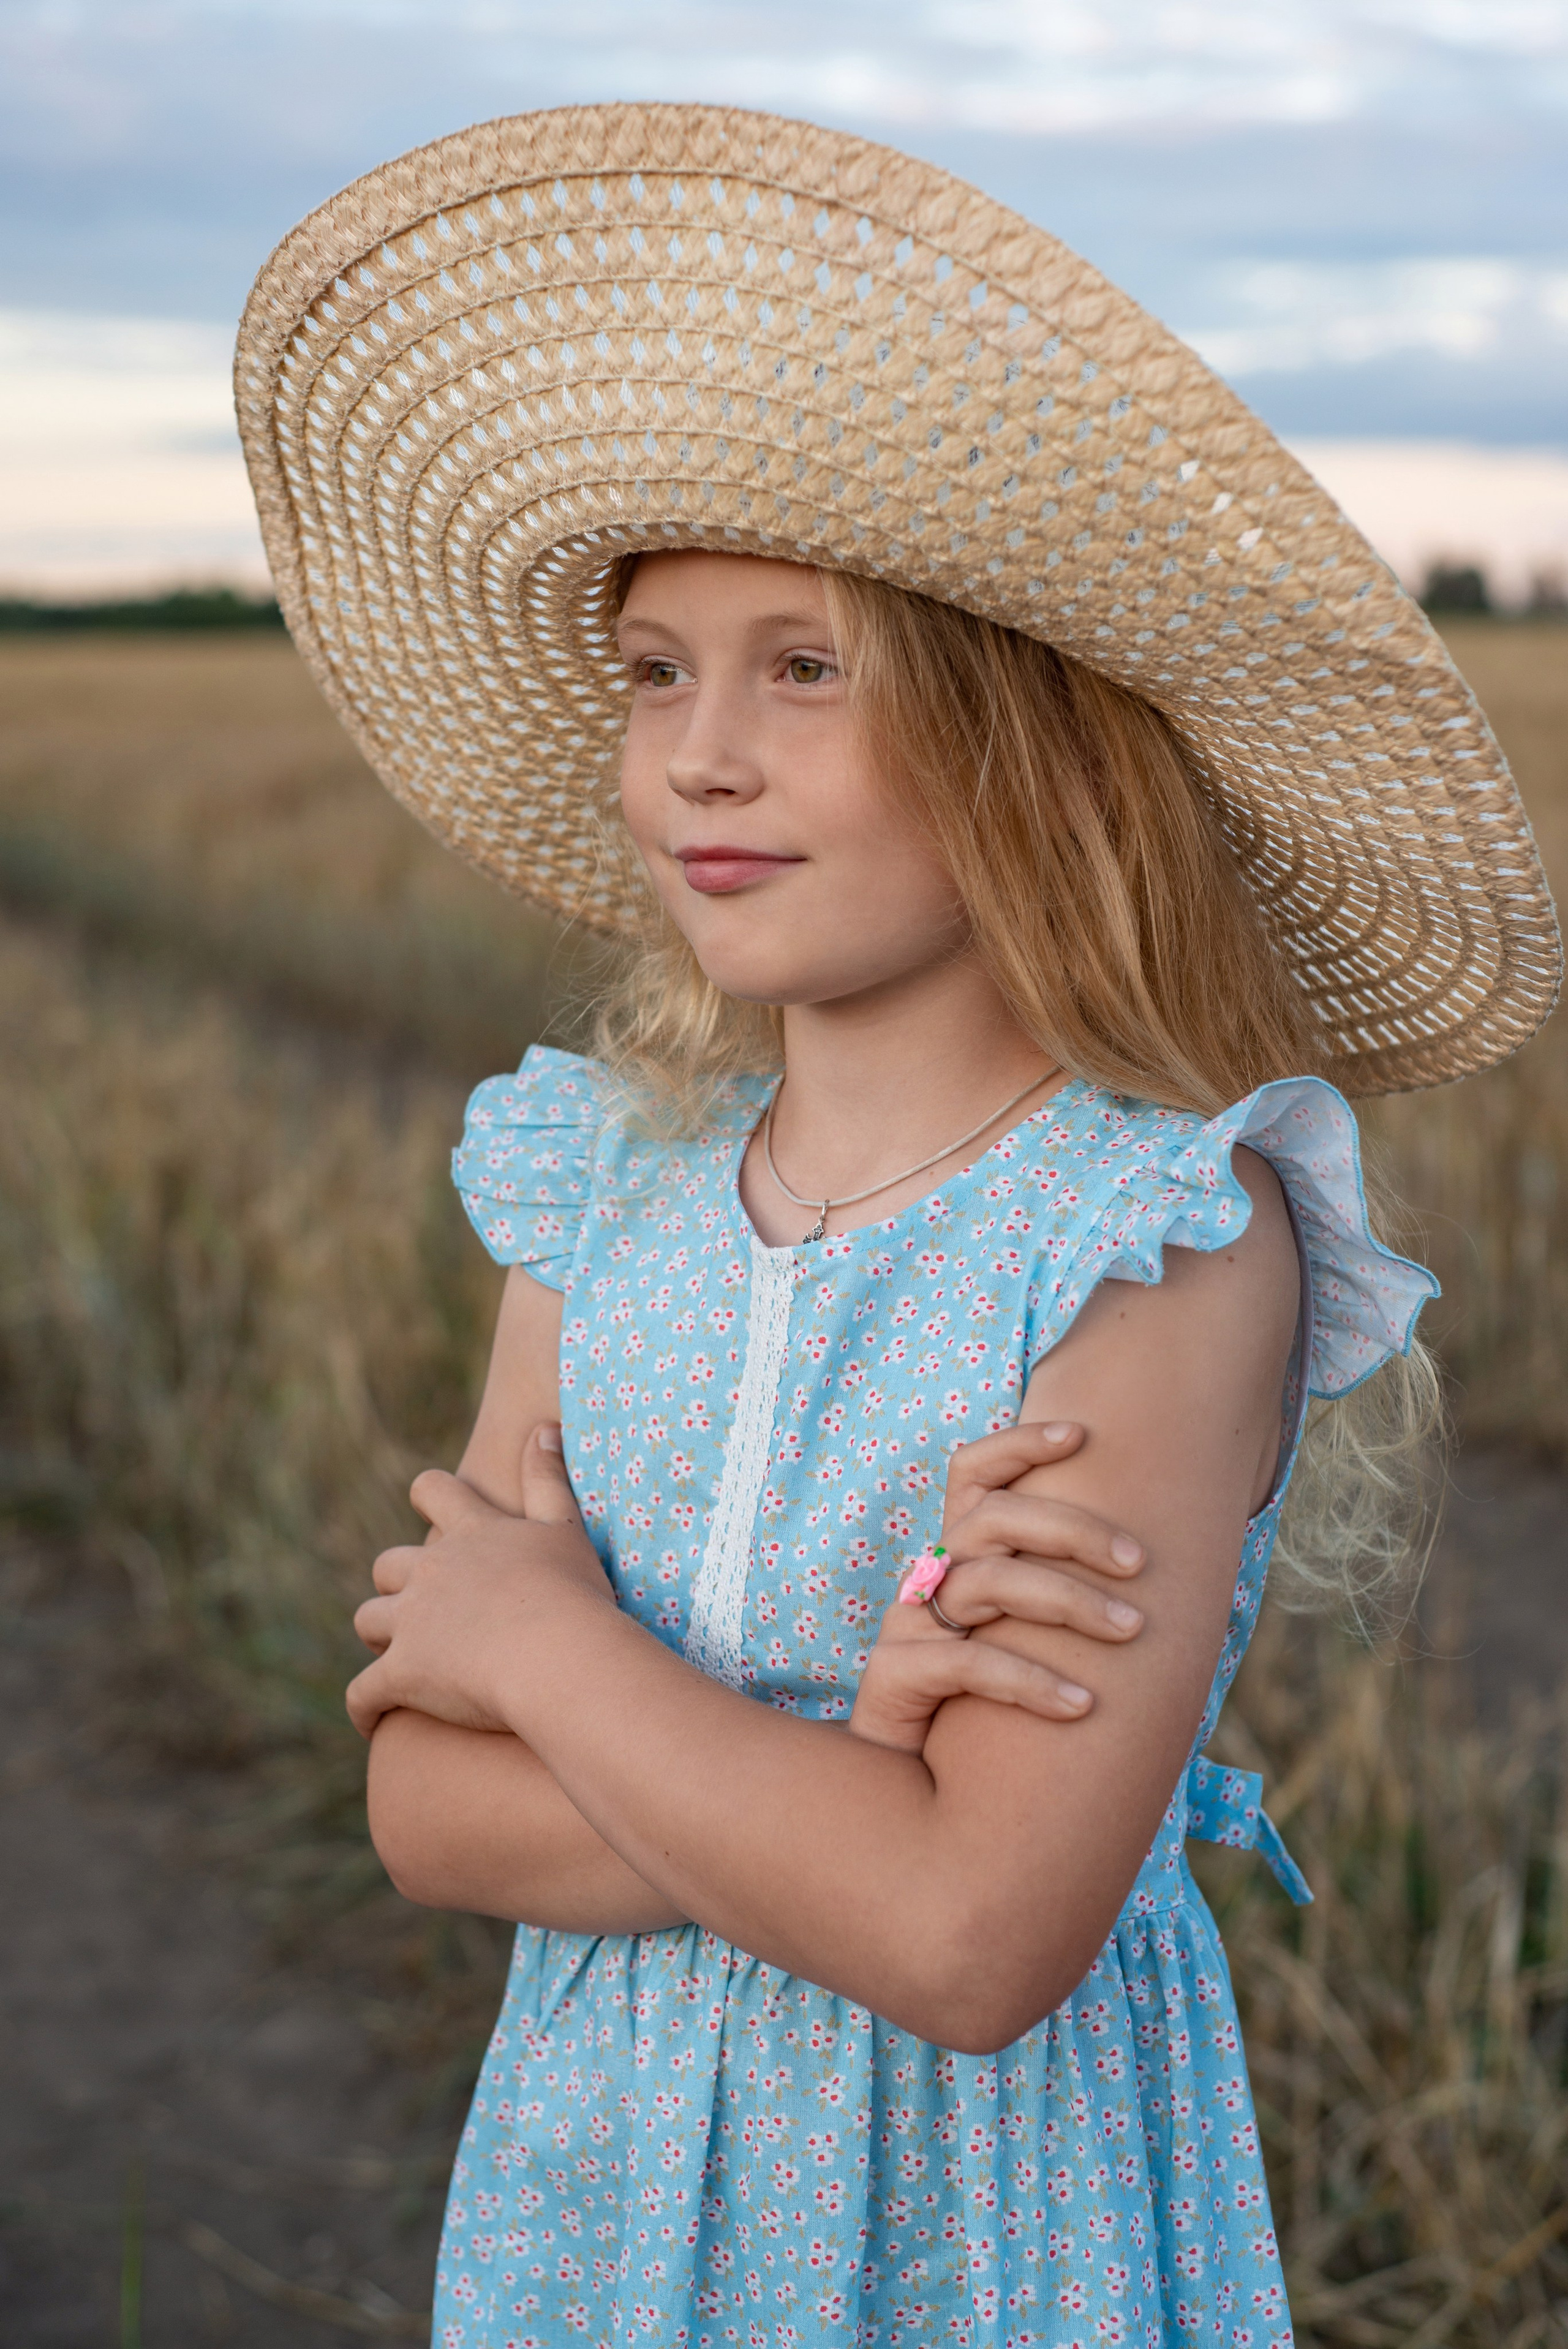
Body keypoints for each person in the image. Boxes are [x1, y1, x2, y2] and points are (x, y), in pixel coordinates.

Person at [235, 102, 1559, 2349]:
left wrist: (550, 1657)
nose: (700, 754)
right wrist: (852, 1787)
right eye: (656, 667)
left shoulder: (1152, 1237)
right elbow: (424, 1813)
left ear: (1034, 746)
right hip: (594, 2223)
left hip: (983, 2234)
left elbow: (966, 1940)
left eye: (807, 667)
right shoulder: (602, 1194)